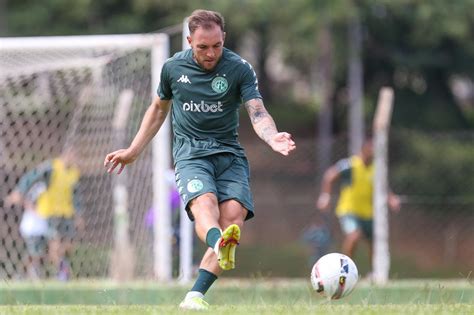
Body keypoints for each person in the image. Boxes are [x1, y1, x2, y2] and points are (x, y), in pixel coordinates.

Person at [104, 9, 295, 310]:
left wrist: (272, 137)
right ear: (190, 41)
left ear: (224, 39)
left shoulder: (239, 68)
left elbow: (257, 111)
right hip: (191, 153)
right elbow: (157, 110)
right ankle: (218, 242)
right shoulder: (172, 68)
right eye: (203, 47)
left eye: (217, 45)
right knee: (204, 204)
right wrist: (133, 151)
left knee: (234, 217)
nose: (210, 53)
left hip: (229, 155)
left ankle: (195, 295)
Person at [316, 136, 400, 277]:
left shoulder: (376, 169)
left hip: (369, 213)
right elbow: (329, 176)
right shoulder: (350, 165)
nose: (374, 152)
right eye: (371, 149)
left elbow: (384, 186)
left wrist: (391, 198)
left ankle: (376, 273)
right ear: (364, 149)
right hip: (349, 210)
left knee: (374, 243)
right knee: (354, 236)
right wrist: (325, 196)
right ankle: (343, 270)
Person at [6, 148, 83, 281]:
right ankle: (61, 273)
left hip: (67, 213)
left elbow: (75, 195)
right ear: (66, 155)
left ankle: (55, 266)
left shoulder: (74, 173)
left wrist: (78, 214)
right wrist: (20, 191)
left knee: (68, 245)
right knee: (52, 244)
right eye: (74, 157)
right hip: (50, 213)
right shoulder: (51, 168)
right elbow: (31, 177)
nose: (76, 160)